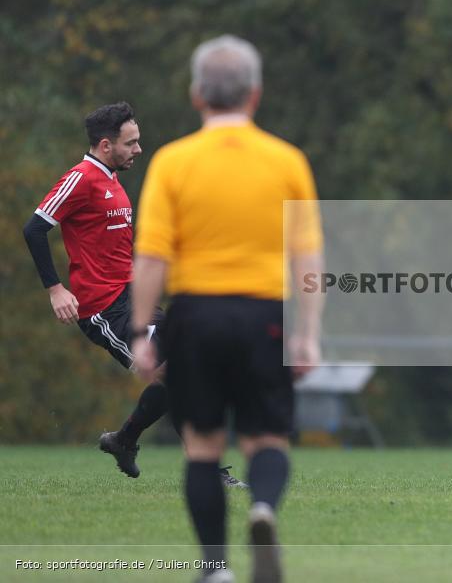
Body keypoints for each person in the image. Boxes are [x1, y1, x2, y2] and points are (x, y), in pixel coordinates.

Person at [130, 35, 324, 583]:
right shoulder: (287, 161)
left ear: (197, 96)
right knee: (267, 440)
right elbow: (308, 258)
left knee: (202, 447)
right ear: (255, 95)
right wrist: (306, 332)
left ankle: (215, 569)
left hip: (195, 318)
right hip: (264, 315)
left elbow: (151, 257)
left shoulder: (172, 162)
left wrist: (144, 329)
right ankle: (262, 508)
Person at [22, 102, 246, 488]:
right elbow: (34, 228)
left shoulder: (112, 180)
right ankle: (203, 470)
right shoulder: (81, 178)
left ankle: (125, 441)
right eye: (131, 143)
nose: (138, 149)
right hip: (104, 311)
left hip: (133, 301)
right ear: (106, 145)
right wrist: (56, 289)